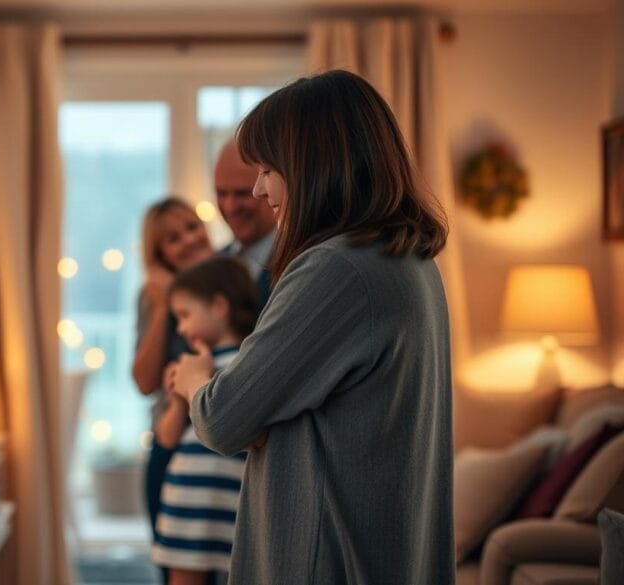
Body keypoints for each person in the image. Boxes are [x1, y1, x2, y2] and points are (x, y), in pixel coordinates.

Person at [166, 70, 453, 584]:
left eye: (268, 169)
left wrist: (194, 382)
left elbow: (223, 418)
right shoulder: (411, 260)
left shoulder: (335, 269)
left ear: (312, 166)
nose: (260, 189)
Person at [151, 257, 258, 585]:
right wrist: (178, 398)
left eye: (185, 315)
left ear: (219, 306)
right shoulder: (188, 366)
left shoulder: (251, 362)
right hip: (188, 493)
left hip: (233, 497)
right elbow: (167, 437)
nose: (180, 329)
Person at [131, 198, 215, 583]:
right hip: (172, 443)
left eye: (191, 227)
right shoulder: (152, 298)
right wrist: (165, 306)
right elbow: (144, 382)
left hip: (226, 445)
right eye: (173, 238)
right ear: (160, 255)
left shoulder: (235, 279)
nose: (188, 240)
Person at [213, 141, 277, 305]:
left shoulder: (299, 261)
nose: (230, 207)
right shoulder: (212, 263)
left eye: (242, 194)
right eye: (221, 193)